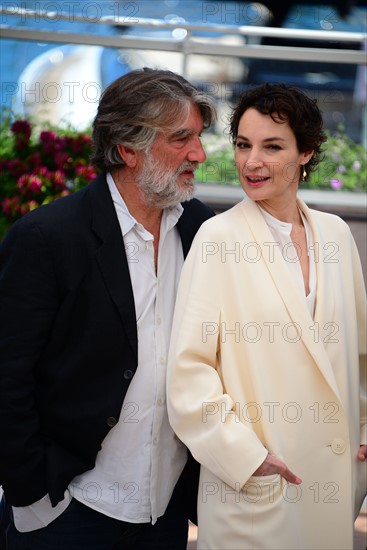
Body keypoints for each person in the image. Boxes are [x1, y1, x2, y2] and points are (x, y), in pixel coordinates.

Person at [0, 67, 216, 549]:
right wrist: (32, 492)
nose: (199, 154)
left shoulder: (203, 229)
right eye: (181, 139)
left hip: (166, 511)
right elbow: (8, 376)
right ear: (127, 149)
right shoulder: (47, 238)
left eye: (198, 138)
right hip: (67, 507)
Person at [167, 83, 367, 550]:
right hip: (256, 492)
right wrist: (245, 458)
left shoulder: (336, 236)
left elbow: (360, 354)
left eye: (272, 146)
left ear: (306, 153)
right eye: (242, 144)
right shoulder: (217, 239)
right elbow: (188, 374)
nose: (251, 161)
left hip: (334, 486)